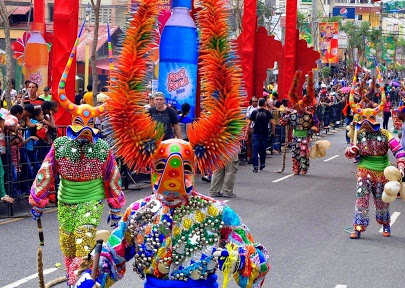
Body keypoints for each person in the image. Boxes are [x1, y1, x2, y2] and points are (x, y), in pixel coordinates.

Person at [75, 1, 270, 284]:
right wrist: (89, 275)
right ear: (153, 165)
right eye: (164, 164)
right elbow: (112, 255)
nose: (173, 173)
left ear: (194, 167)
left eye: (183, 165)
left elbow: (258, 260)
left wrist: (240, 257)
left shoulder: (216, 212)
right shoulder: (138, 213)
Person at [29, 44, 126, 286]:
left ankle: (78, 281)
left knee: (84, 242)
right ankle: (76, 279)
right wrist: (37, 201)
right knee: (69, 243)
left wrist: (115, 207)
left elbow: (112, 176)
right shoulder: (60, 144)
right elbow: (46, 172)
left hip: (91, 200)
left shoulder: (102, 148)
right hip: (65, 199)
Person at [344, 67, 405, 239]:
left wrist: (400, 167)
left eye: (369, 122)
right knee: (361, 199)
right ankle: (357, 227)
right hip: (364, 170)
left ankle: (386, 224)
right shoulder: (359, 134)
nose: (366, 125)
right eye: (363, 122)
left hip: (382, 171)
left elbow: (399, 151)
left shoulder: (385, 134)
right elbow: (350, 152)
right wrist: (352, 151)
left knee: (382, 201)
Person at [250, 98, 274, 173]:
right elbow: (273, 123)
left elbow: (249, 122)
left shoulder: (254, 112)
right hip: (264, 133)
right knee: (263, 149)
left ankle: (255, 166)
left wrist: (247, 130)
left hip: (256, 132)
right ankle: (262, 163)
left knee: (255, 150)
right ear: (264, 104)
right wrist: (273, 131)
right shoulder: (268, 112)